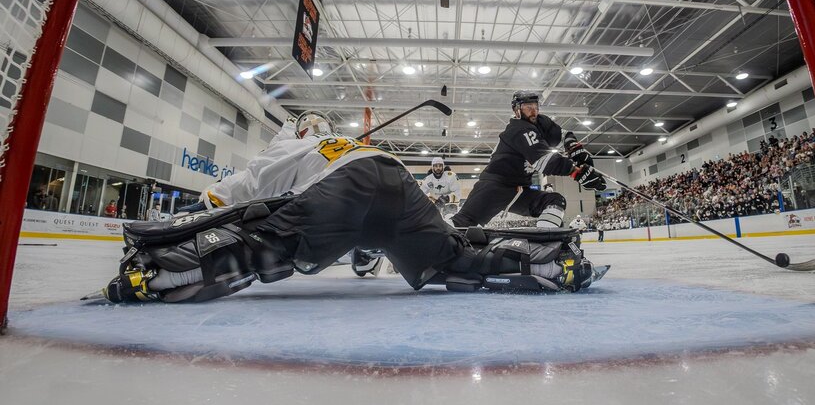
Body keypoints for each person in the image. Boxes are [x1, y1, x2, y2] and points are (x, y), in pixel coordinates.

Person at [98, 111, 600, 303]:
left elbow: (237, 192)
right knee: (452, 257)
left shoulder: (289, 144)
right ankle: (551, 260)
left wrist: (195, 211)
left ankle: (156, 272)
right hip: (394, 178)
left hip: (347, 190)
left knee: (265, 244)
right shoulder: (338, 142)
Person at [451, 91, 606, 229]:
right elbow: (544, 161)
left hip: (519, 192)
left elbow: (564, 134)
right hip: (493, 188)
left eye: (535, 107)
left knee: (555, 201)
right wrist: (576, 172)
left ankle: (544, 239)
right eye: (528, 107)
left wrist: (574, 148)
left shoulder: (541, 123)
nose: (534, 112)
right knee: (461, 224)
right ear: (516, 110)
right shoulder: (519, 129)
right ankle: (434, 244)